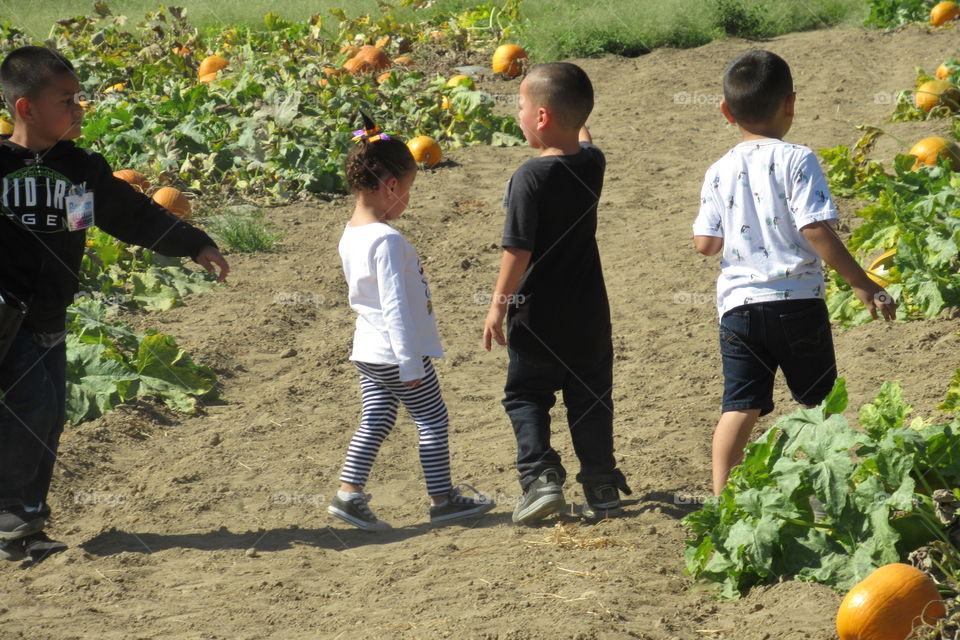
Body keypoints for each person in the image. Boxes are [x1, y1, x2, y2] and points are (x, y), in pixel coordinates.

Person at [0, 46, 229, 562]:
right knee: (31, 407)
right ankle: (12, 519)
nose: (79, 109)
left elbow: (132, 214)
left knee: (50, 411)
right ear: (26, 108)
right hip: (6, 318)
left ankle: (25, 522)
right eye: (66, 100)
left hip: (48, 317)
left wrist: (193, 242)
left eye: (79, 98)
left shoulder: (81, 169)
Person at [693, 50, 896, 495]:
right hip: (797, 304)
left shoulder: (717, 171)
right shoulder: (797, 159)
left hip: (738, 310)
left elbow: (706, 245)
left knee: (740, 405)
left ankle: (722, 498)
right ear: (791, 103)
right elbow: (814, 229)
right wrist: (863, 284)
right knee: (820, 403)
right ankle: (832, 492)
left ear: (726, 111)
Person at [328, 114, 494, 531]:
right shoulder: (387, 241)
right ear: (391, 187)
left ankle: (349, 493)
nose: (408, 201)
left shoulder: (352, 233)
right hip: (396, 354)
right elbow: (396, 307)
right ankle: (443, 500)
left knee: (376, 420)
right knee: (433, 419)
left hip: (368, 351)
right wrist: (410, 363)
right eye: (410, 191)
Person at [483, 62, 630, 525]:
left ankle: (541, 479)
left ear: (542, 117)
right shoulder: (593, 163)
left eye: (522, 107)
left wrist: (496, 304)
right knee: (590, 398)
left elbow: (518, 252)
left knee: (526, 396)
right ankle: (601, 485)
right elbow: (583, 136)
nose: (518, 115)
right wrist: (577, 110)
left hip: (536, 318)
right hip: (589, 316)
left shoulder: (530, 177)